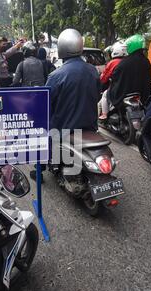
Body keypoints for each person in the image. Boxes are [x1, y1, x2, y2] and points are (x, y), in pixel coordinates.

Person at [31, 29, 100, 182]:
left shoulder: (57, 75)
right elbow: (98, 95)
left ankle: (39, 169)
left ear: (62, 48)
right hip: (90, 125)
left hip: (64, 128)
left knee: (43, 133)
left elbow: (45, 102)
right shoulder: (93, 70)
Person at [108, 34, 151, 108]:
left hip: (122, 96)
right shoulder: (146, 61)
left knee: (107, 94)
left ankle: (105, 115)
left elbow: (115, 77)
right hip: (142, 98)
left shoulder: (124, 62)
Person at [98, 41, 128, 120]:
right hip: (129, 87)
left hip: (117, 87)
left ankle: (104, 114)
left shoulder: (113, 62)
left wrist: (100, 80)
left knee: (104, 95)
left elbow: (104, 78)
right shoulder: (128, 61)